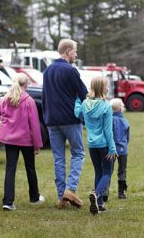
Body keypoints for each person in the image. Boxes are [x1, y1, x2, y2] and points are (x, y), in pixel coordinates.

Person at [42, 38, 88, 209]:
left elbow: (45, 96)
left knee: (58, 159)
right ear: (68, 51)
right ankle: (70, 189)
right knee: (78, 154)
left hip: (52, 121)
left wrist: (46, 118)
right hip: (69, 119)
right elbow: (84, 94)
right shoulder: (70, 70)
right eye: (75, 51)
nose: (76, 54)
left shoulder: (47, 71)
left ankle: (61, 197)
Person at [0, 73, 44, 211]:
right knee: (30, 168)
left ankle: (8, 201)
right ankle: (34, 197)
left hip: (10, 140)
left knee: (10, 168)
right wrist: (37, 144)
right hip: (26, 141)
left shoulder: (5, 99)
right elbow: (35, 125)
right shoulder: (29, 101)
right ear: (26, 85)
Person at [74, 76, 117, 215]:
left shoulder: (85, 104)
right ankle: (96, 194)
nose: (108, 88)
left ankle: (99, 204)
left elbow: (77, 113)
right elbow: (108, 130)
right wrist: (112, 148)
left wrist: (76, 100)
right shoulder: (106, 107)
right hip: (104, 145)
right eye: (106, 86)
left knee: (98, 172)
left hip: (92, 145)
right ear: (101, 88)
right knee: (107, 173)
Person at [109, 98, 130, 199]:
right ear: (121, 108)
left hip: (111, 150)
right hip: (123, 150)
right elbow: (127, 137)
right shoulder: (125, 121)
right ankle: (121, 193)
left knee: (108, 170)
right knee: (122, 171)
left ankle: (105, 193)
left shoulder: (110, 120)